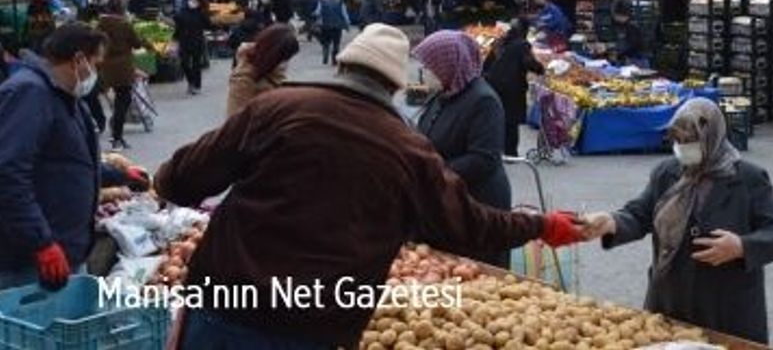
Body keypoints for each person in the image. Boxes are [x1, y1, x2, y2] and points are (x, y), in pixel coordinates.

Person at [155, 24, 584, 349]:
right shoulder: (409, 150)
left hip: (224, 308)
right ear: (396, 85)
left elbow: (181, 180)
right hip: (311, 326)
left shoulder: (276, 108)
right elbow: (470, 225)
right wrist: (542, 225)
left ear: (341, 64)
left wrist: (164, 179)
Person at [580, 98, 773, 345]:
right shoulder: (667, 173)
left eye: (690, 141)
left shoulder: (748, 178)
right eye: (677, 141)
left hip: (725, 308)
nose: (682, 148)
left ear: (712, 137)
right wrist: (611, 222)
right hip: (672, 301)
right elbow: (639, 214)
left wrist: (741, 247)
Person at [0, 24, 110, 289]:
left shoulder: (67, 96)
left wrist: (120, 175)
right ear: (79, 60)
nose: (96, 72)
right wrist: (41, 242)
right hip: (29, 260)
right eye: (96, 63)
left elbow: (68, 160)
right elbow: (8, 171)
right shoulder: (29, 93)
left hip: (66, 247)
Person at [412, 30, 514, 268]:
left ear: (448, 64)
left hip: (478, 205)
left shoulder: (483, 101)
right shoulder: (443, 95)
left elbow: (483, 159)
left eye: (429, 66)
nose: (424, 72)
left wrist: (433, 173)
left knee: (475, 278)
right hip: (446, 202)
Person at [483, 18, 545, 157]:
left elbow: (487, 64)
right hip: (512, 87)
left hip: (493, 84)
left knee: (498, 117)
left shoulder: (500, 42)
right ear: (524, 30)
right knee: (511, 121)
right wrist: (541, 69)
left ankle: (496, 149)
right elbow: (529, 62)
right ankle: (510, 153)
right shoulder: (522, 45)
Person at [97, 0, 143, 150]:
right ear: (123, 8)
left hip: (105, 67)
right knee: (122, 103)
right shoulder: (125, 25)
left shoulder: (100, 24)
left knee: (116, 101)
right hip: (123, 69)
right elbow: (137, 44)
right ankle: (117, 137)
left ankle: (116, 133)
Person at [226, 23, 299, 117]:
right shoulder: (243, 80)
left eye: (287, 59)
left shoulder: (274, 72)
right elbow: (235, 121)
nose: (285, 64)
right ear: (273, 55)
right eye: (283, 59)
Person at [172, 0, 211, 96]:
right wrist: (174, 39)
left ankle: (196, 86)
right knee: (184, 63)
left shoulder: (201, 13)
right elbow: (178, 26)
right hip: (184, 41)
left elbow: (209, 25)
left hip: (197, 41)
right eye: (190, 0)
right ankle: (191, 81)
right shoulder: (182, 12)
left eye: (194, 1)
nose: (191, 2)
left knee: (196, 64)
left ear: (199, 3)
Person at [314, 0, 350, 65]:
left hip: (326, 25)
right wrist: (347, 24)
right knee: (336, 44)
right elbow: (345, 15)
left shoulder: (322, 2)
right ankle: (334, 60)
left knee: (326, 42)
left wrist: (316, 16)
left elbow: (317, 12)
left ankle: (325, 53)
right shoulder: (340, 2)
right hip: (337, 26)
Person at [611, 0, 646, 66]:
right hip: (627, 59)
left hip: (636, 61)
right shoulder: (622, 24)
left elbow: (630, 45)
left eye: (616, 15)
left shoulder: (633, 26)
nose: (614, 17)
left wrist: (614, 49)